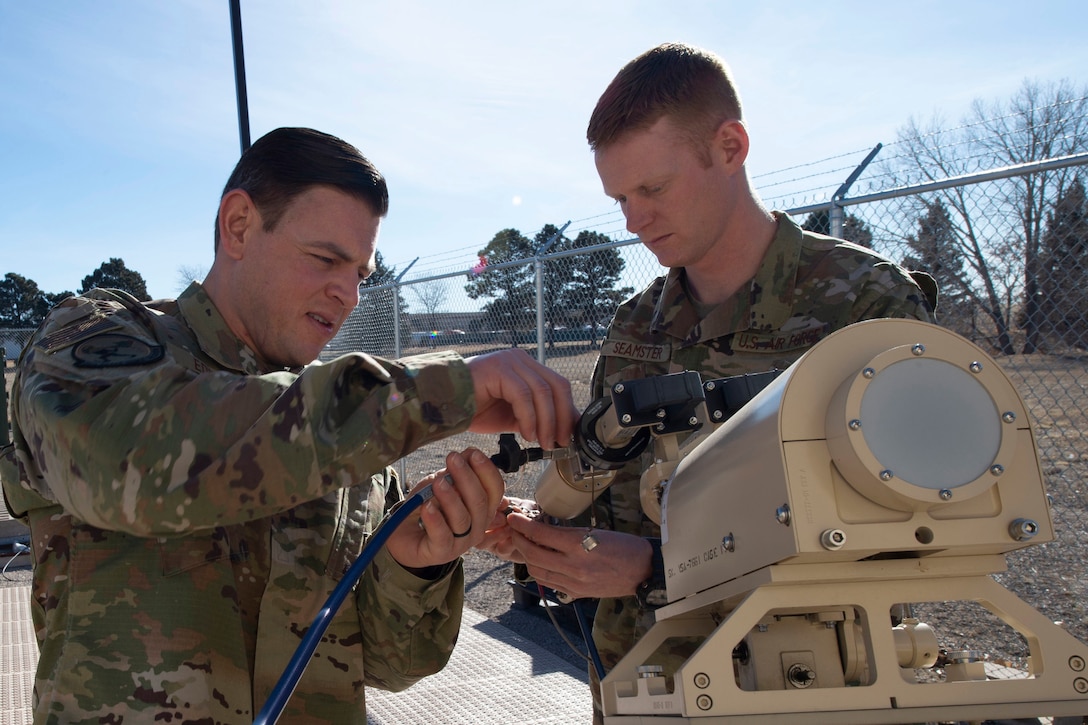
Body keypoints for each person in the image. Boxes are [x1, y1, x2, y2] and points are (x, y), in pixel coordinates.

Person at [0, 127, 578, 724]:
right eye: (326, 259)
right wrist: (447, 387)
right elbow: (136, 464)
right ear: (240, 225)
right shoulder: (101, 345)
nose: (349, 294)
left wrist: (416, 563)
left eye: (361, 272)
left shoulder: (354, 426)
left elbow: (388, 664)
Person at [485, 43, 937, 722]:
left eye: (654, 189)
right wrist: (534, 529)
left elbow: (910, 537)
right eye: (620, 198)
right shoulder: (637, 323)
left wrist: (659, 569)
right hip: (640, 688)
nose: (634, 221)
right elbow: (611, 506)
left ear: (730, 147)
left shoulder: (862, 305)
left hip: (801, 698)